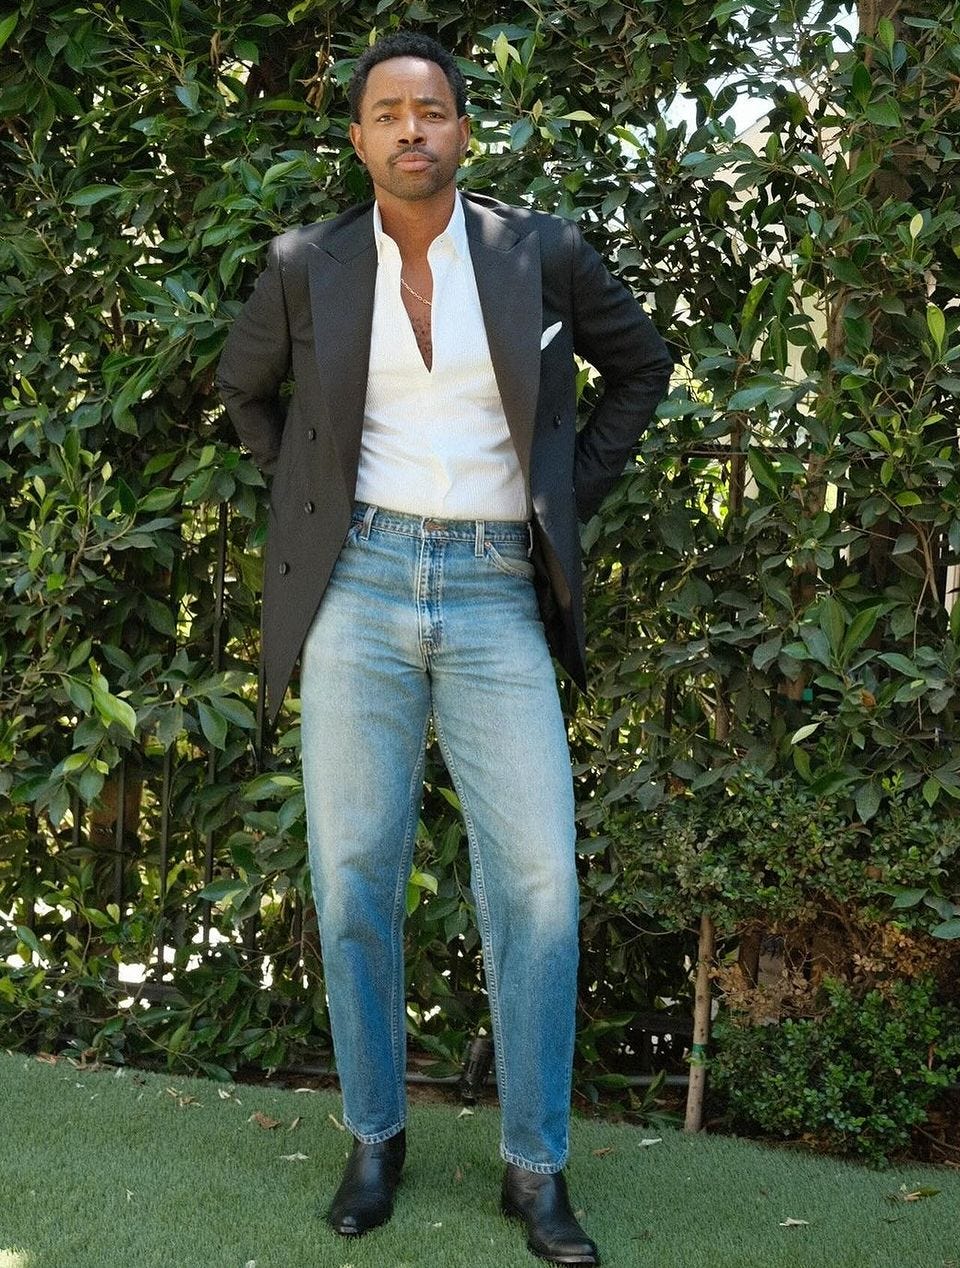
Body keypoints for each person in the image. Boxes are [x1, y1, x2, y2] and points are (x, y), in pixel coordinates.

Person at [216, 30, 671, 1266]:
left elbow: (643, 367)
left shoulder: (538, 251)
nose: (411, 129)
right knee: (353, 869)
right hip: (357, 586)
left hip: (490, 591)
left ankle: (537, 1166)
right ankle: (375, 1134)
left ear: (463, 131)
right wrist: (308, 497)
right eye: (388, 113)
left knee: (536, 882)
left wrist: (563, 495)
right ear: (358, 137)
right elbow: (244, 389)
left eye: (432, 111)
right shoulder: (306, 263)